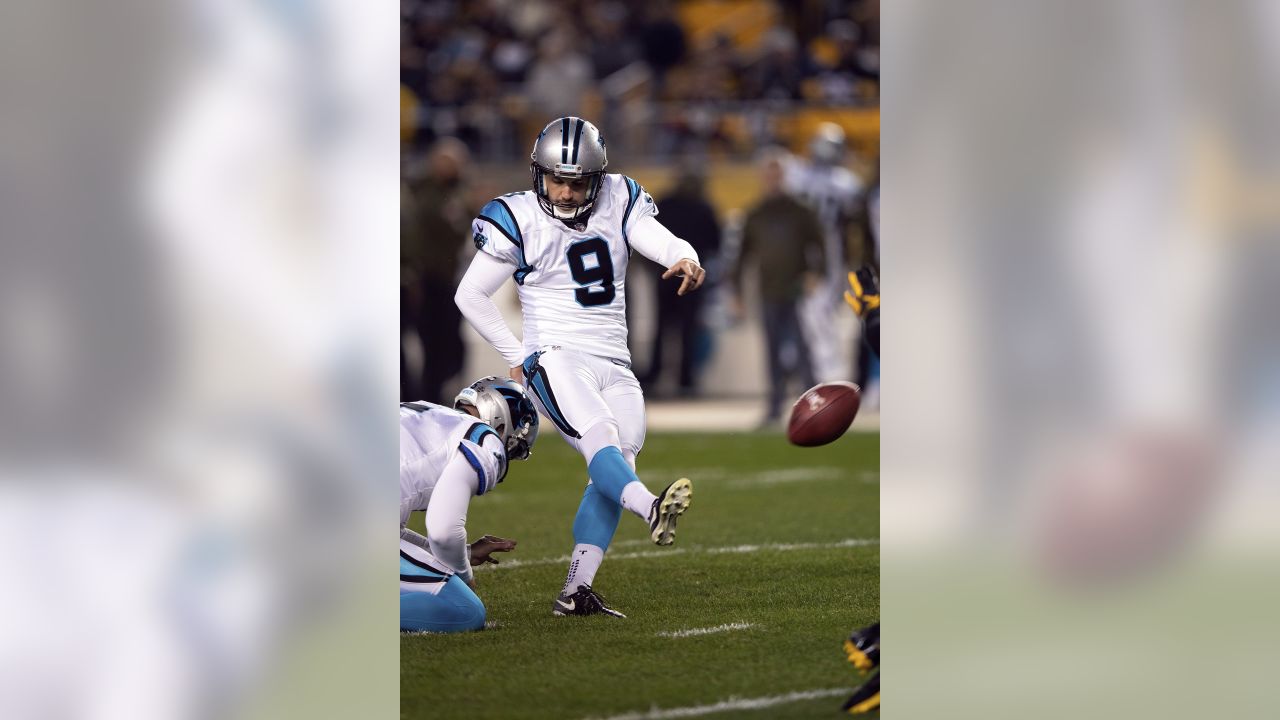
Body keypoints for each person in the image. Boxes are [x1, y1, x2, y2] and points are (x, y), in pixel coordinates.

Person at [454, 116, 706, 618]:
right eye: (557, 179)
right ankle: (651, 507)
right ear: (537, 173)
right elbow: (470, 294)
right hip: (556, 354)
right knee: (601, 441)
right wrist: (519, 355)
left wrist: (685, 256)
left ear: (597, 178)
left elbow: (655, 235)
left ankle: (575, 591)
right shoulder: (519, 216)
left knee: (617, 463)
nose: (566, 192)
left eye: (577, 181)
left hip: (615, 356)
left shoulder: (618, 197)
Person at [399, 377, 540, 633]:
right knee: (465, 610)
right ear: (501, 421)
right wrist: (464, 577)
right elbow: (444, 531)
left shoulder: (428, 414)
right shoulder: (485, 440)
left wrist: (462, 552)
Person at [730, 149, 827, 427]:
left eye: (777, 174)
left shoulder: (800, 211)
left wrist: (815, 274)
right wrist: (736, 293)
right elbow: (741, 257)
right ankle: (774, 406)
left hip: (796, 291)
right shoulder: (756, 214)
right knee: (772, 350)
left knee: (801, 350)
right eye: (768, 174)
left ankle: (813, 404)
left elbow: (819, 245)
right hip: (768, 291)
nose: (773, 179)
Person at [641, 167, 722, 396]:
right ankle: (684, 379)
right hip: (692, 278)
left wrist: (652, 269)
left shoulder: (665, 204)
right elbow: (715, 243)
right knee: (686, 329)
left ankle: (658, 375)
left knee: (663, 329)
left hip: (665, 276)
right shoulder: (703, 207)